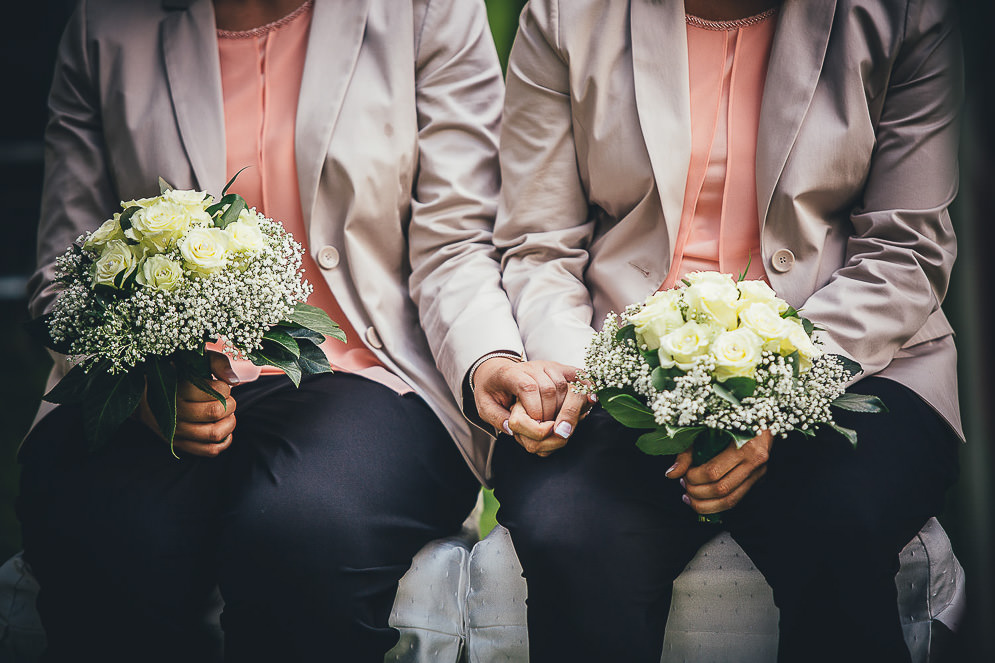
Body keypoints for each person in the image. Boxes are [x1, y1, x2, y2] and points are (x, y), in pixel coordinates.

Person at [18, 0, 535, 660]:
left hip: (372, 373)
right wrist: (143, 382)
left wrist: (486, 357)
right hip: (155, 383)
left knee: (307, 532)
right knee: (112, 535)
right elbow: (64, 273)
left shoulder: (425, 12)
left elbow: (457, 240)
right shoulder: (102, 28)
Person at [472, 0, 964, 661]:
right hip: (622, 360)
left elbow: (905, 251)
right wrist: (574, 369)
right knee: (569, 530)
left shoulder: (903, 15)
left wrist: (774, 396)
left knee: (836, 521)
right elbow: (540, 242)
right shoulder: (564, 15)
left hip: (852, 358)